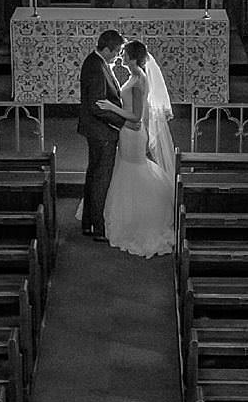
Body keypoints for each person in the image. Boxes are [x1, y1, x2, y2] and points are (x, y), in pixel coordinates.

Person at [103, 39, 176, 258]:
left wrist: (111, 108)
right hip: (128, 132)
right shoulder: (134, 77)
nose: (122, 57)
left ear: (134, 58)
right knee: (127, 169)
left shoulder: (139, 80)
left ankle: (138, 218)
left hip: (133, 133)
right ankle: (131, 215)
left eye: (125, 54)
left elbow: (136, 115)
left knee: (134, 170)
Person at [74, 29, 133, 241]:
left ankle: (89, 223)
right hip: (102, 133)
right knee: (100, 181)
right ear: (106, 49)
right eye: (116, 52)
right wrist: (122, 122)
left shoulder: (95, 62)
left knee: (93, 177)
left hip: (97, 131)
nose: (118, 56)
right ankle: (99, 229)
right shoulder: (96, 68)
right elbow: (96, 106)